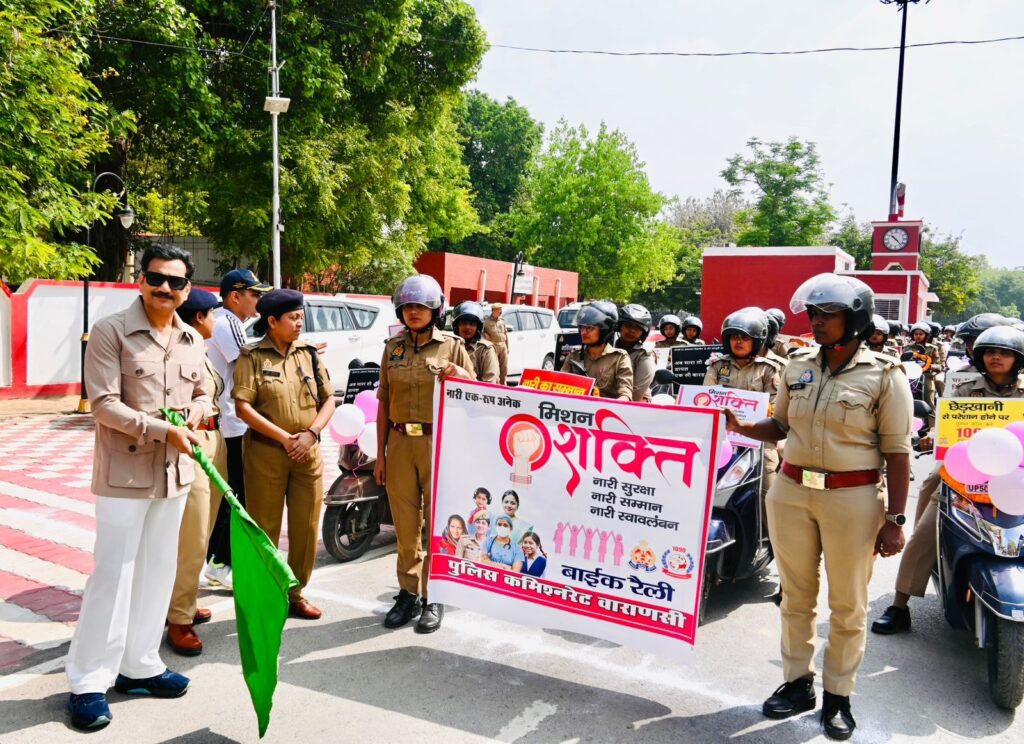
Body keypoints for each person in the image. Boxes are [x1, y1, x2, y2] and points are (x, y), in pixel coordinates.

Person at [723, 273, 912, 741]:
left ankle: (838, 697)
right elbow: (780, 426)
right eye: (814, 313)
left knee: (848, 604)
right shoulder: (797, 365)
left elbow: (898, 453)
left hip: (853, 498)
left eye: (829, 314)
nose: (818, 321)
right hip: (791, 492)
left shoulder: (885, 375)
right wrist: (741, 427)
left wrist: (895, 519)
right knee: (795, 597)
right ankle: (797, 683)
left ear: (857, 318)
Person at [66, 244, 210, 731]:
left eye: (175, 281)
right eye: (156, 278)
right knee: (114, 576)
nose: (165, 287)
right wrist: (165, 430)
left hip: (174, 475)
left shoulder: (191, 338)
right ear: (141, 280)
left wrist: (196, 411)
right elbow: (103, 405)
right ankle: (88, 680)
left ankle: (140, 665)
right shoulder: (112, 331)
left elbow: (206, 391)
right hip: (124, 476)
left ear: (187, 289)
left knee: (158, 572)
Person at [872, 326, 1024, 636]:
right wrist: (932, 435)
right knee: (926, 530)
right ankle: (900, 605)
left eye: (1004, 353)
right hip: (965, 477)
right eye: (990, 352)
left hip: (1017, 479)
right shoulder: (965, 387)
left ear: (1018, 359)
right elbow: (946, 422)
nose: (996, 357)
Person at [375, 274, 475, 633]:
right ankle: (408, 592)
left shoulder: (453, 346)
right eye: (408, 307)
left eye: (421, 306)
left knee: (437, 523)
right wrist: (381, 455)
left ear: (436, 311)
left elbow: (476, 394)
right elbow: (383, 401)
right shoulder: (393, 348)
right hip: (401, 441)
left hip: (438, 442)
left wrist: (459, 372)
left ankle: (434, 595)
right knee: (405, 525)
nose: (414, 312)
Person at [233, 289, 336, 621]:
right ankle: (265, 596)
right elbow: (243, 407)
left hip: (308, 453)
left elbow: (329, 399)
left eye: (301, 318)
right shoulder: (252, 356)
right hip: (266, 455)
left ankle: (295, 594)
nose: (299, 324)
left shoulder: (309, 354)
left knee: (306, 527)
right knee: (264, 528)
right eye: (293, 318)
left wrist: (311, 434)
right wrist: (285, 438)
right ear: (272, 321)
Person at [166, 288, 228, 657]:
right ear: (199, 317)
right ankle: (178, 618)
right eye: (212, 314)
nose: (216, 321)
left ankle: (183, 602)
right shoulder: (177, 351)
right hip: (193, 441)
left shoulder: (198, 349)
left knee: (203, 530)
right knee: (193, 532)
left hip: (213, 438)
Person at [204, 268, 271, 588]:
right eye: (254, 294)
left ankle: (214, 560)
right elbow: (249, 364)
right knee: (237, 495)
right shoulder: (226, 322)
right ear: (235, 296)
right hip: (232, 423)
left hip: (228, 421)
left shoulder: (227, 322)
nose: (259, 300)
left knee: (229, 493)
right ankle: (220, 562)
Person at [704, 308, 782, 506]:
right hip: (720, 438)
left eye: (745, 337)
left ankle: (767, 526)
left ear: (756, 340)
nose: (738, 342)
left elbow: (775, 408)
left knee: (768, 494)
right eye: (734, 337)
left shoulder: (768, 369)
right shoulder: (717, 365)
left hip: (759, 440)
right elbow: (706, 398)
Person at [561, 301, 633, 400]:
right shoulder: (574, 356)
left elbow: (625, 393)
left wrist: (614, 404)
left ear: (605, 330)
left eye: (590, 328)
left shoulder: (619, 358)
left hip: (606, 408)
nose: (583, 332)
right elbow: (560, 385)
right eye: (582, 327)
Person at [614, 303, 656, 402]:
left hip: (634, 403)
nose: (632, 330)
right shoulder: (609, 348)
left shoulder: (644, 356)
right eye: (628, 325)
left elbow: (636, 393)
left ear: (643, 333)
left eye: (637, 328)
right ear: (619, 326)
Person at [453, 301, 500, 383]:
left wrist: (467, 378)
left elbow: (490, 383)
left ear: (478, 328)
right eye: (463, 323)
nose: (467, 327)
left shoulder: (485, 350)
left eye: (472, 324)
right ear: (456, 326)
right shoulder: (450, 345)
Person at [483, 303, 511, 384]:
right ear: (494, 311)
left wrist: (507, 347)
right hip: (493, 346)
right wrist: (485, 334)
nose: (501, 312)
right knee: (495, 368)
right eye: (499, 310)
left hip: (502, 346)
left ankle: (503, 385)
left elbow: (505, 334)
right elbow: (481, 331)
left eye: (501, 310)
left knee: (504, 368)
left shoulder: (502, 320)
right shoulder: (486, 321)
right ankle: (497, 385)